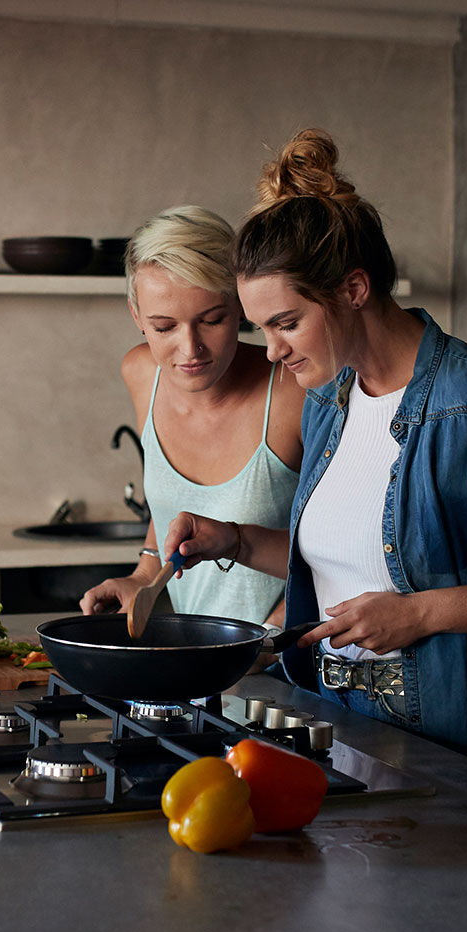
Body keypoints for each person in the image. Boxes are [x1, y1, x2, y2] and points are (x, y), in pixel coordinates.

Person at [161, 130, 467, 772]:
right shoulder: (330, 399)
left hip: (445, 742)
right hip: (329, 725)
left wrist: (420, 614)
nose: (271, 351)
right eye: (260, 328)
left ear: (354, 288)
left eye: (287, 323)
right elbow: (346, 569)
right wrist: (235, 542)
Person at [78, 206, 304, 626]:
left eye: (212, 320)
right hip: (199, 663)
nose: (190, 350)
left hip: (288, 660)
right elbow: (169, 508)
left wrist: (271, 640)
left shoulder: (295, 388)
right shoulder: (142, 373)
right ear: (137, 316)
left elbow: (346, 551)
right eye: (164, 327)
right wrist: (144, 576)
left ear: (239, 304)